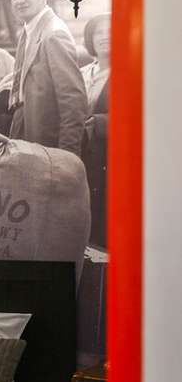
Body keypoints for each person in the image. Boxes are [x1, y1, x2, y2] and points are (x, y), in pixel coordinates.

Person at [6, 0, 88, 156]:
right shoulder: (28, 30)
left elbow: (73, 102)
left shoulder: (53, 34)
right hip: (28, 139)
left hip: (49, 149)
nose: (20, 0)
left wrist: (67, 158)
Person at [81, 13, 111, 246]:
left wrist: (99, 122)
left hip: (109, 157)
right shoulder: (82, 73)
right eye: (99, 32)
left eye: (111, 31)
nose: (105, 36)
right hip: (81, 154)